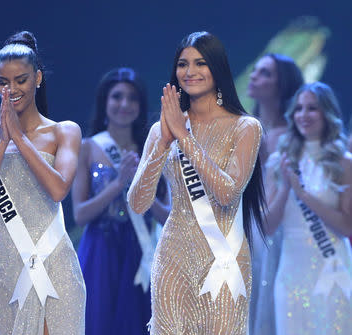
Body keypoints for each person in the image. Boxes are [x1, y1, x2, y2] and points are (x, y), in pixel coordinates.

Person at [128, 31, 265, 334]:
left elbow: (228, 193)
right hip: (173, 257)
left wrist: (183, 137)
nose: (189, 72)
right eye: (182, 64)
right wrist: (164, 142)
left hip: (224, 258)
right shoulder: (162, 129)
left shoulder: (246, 127)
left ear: (217, 68)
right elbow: (138, 203)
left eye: (200, 63)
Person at [0, 31, 85, 335]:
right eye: (3, 82)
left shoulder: (64, 132)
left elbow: (59, 189)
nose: (11, 89)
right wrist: (4, 144)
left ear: (38, 78)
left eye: (20, 80)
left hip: (54, 260)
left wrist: (19, 137)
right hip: (5, 265)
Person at [72, 68, 170, 335]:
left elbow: (168, 218)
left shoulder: (155, 149)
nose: (124, 104)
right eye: (117, 97)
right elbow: (79, 215)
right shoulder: (88, 147)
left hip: (142, 252)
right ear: (105, 102)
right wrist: (119, 184)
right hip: (100, 251)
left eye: (132, 98)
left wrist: (139, 188)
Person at [263, 82, 352, 334]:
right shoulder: (278, 161)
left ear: (327, 113)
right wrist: (285, 189)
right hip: (292, 272)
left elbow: (347, 226)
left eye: (312, 108)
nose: (304, 115)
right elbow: (267, 227)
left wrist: (303, 194)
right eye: (299, 108)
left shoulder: (344, 163)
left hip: (332, 267)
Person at [246, 53, 303, 335]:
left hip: (272, 232)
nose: (255, 76)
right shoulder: (242, 129)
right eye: (255, 70)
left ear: (282, 85)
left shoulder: (290, 137)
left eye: (265, 73)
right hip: (239, 230)